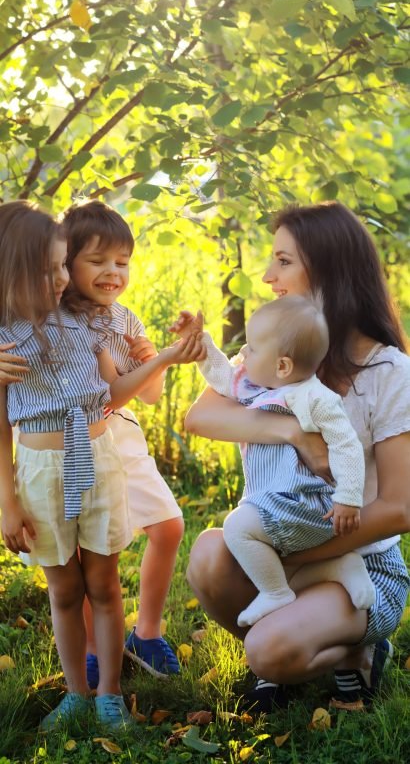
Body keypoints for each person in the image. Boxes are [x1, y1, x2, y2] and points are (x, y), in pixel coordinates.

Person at [184, 202, 410, 711]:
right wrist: (293, 432)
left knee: (266, 653)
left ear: (328, 267)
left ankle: (358, 651)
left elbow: (400, 508)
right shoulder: (273, 350)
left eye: (283, 261)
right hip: (280, 548)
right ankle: (289, 629)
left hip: (362, 564)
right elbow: (201, 418)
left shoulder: (390, 372)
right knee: (206, 556)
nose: (268, 277)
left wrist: (296, 558)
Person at [0, 201, 204, 730]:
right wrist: (7, 500)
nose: (62, 279)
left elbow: (117, 389)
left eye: (64, 266)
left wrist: (160, 354)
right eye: (51, 269)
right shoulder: (4, 337)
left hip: (99, 459)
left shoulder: (87, 319)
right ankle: (77, 691)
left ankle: (109, 693)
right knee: (64, 590)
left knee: (105, 583)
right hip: (42, 471)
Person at [171, 296, 375, 628]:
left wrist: (348, 498)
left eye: (251, 348)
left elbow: (347, 445)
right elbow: (222, 376)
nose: (243, 354)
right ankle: (341, 568)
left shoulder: (317, 398)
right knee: (277, 558)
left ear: (282, 366)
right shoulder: (254, 385)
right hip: (275, 503)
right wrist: (200, 342)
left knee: (238, 529)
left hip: (305, 503)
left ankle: (276, 593)